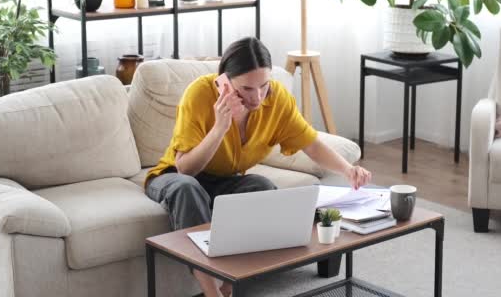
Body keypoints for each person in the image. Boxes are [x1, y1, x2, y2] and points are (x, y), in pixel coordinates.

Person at [145, 37, 371, 297]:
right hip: (173, 176)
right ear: (224, 83)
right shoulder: (199, 94)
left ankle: (230, 285)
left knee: (262, 186)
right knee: (187, 188)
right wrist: (220, 126)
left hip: (225, 180)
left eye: (263, 86)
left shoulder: (276, 101)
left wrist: (347, 170)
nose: (257, 97)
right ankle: (212, 292)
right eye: (247, 89)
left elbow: (310, 143)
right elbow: (185, 169)